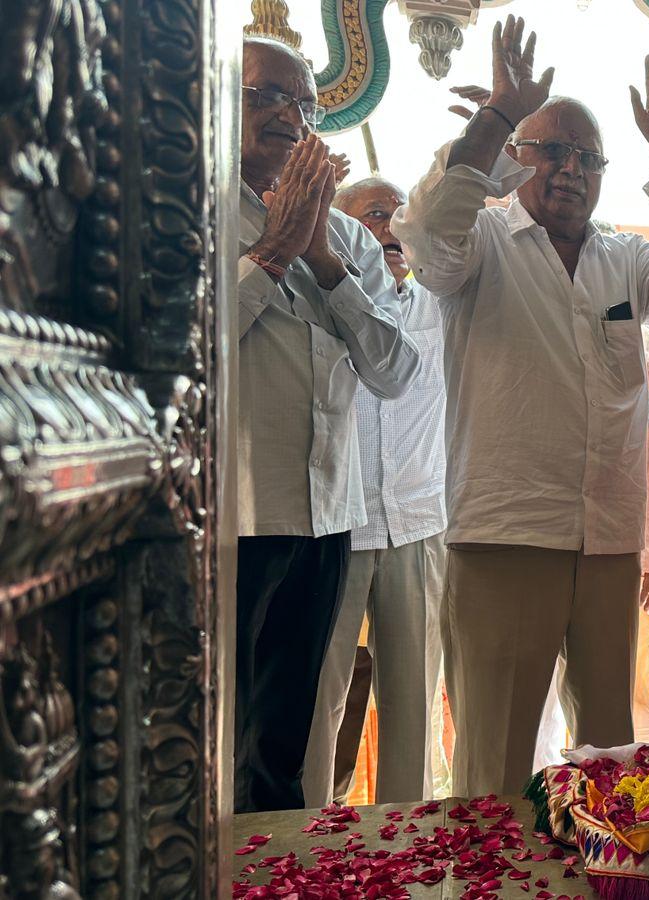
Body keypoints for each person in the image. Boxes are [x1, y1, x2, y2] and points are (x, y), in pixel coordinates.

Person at [390, 17, 649, 796]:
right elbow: (421, 236)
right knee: (495, 762)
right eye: (550, 149)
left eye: (587, 158)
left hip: (606, 540)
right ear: (515, 158)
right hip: (506, 534)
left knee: (610, 762)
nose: (570, 169)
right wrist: (496, 117)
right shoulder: (479, 245)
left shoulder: (626, 257)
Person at [235, 37, 420, 813]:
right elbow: (179, 357)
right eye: (266, 97)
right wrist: (273, 252)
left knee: (286, 743)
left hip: (327, 517)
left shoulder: (344, 236)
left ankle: (268, 877)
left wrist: (325, 262)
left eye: (305, 105)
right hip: (234, 518)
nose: (290, 116)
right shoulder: (185, 207)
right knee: (214, 735)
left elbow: (394, 370)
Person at [300, 177, 448, 805]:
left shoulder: (442, 303)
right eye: (372, 216)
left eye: (398, 216)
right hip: (337, 523)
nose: (388, 229)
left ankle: (406, 845)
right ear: (340, 229)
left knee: (411, 700)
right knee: (318, 699)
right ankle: (304, 837)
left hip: (418, 522)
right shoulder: (313, 297)